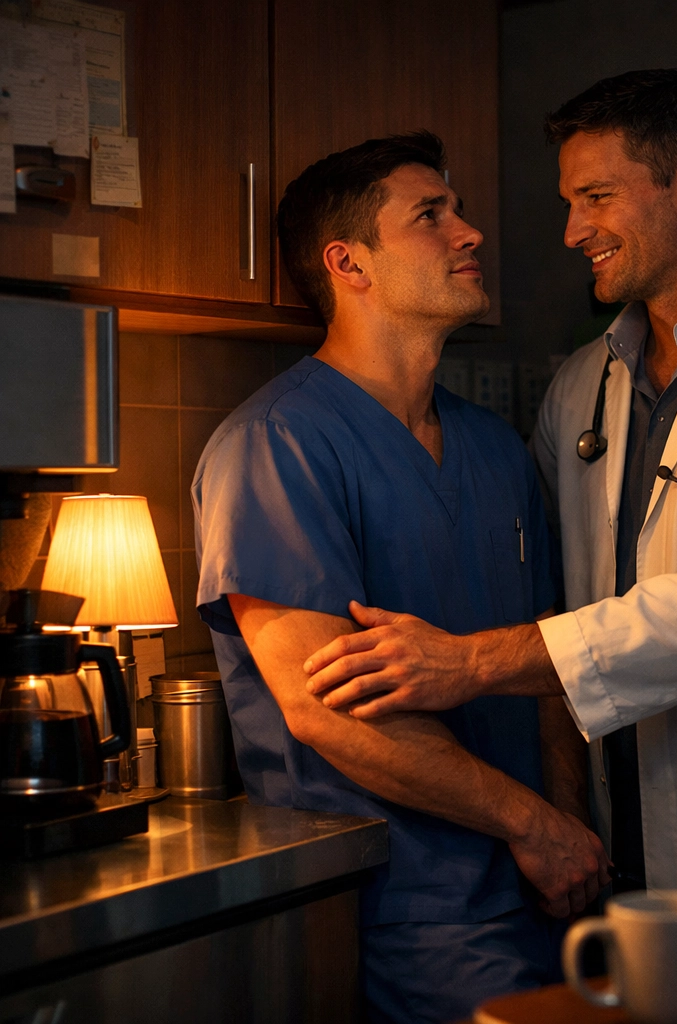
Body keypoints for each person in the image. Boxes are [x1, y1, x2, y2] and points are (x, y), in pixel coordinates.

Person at [300, 71, 677, 894]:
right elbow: (560, 593)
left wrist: (473, 663)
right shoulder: (585, 386)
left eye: (595, 198)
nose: (570, 231)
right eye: (570, 202)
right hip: (621, 833)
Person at [192, 131, 609, 1024]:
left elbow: (546, 664)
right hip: (406, 909)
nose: (470, 234)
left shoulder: (496, 451)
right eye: (432, 214)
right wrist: (533, 826)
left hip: (552, 887)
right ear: (350, 263)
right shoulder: (276, 446)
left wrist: (566, 831)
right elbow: (321, 706)